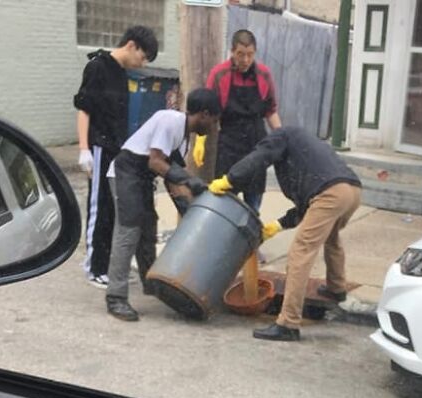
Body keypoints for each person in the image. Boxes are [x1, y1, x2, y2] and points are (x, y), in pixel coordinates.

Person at [209, 126, 362, 342]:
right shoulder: (303, 148)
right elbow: (307, 205)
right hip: (352, 191)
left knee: (301, 252)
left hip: (331, 194)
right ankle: (336, 289)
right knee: (331, 237)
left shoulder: (281, 136)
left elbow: (258, 158)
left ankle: (288, 323)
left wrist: (229, 180)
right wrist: (279, 225)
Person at [105, 88, 221, 322]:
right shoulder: (170, 121)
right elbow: (156, 162)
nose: (214, 128)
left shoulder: (185, 139)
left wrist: (190, 210)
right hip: (125, 173)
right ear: (205, 115)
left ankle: (152, 285)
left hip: (142, 178)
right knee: (128, 233)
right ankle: (115, 297)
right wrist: (189, 180)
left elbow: (172, 177)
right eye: (215, 121)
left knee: (148, 230)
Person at [74, 25, 159, 288]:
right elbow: (84, 109)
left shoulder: (122, 75)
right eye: (143, 57)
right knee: (99, 208)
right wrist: (84, 149)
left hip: (115, 150)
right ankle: (93, 268)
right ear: (131, 45)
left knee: (112, 210)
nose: (142, 63)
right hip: (99, 147)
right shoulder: (98, 67)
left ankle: (105, 265)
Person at [206, 29, 281, 214]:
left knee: (253, 204)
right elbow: (207, 113)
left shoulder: (264, 74)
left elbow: (271, 111)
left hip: (256, 144)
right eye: (241, 54)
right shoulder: (219, 74)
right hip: (229, 144)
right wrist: (200, 139)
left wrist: (283, 138)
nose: (245, 60)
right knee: (224, 203)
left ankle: (251, 241)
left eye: (250, 55)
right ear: (232, 51)